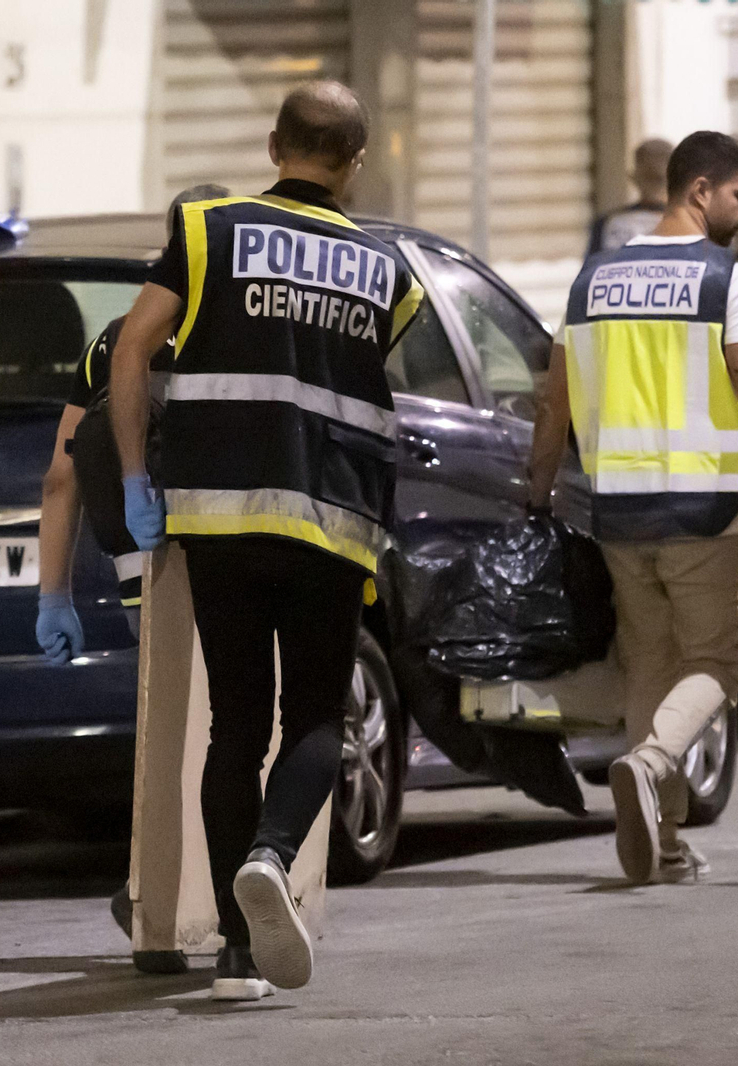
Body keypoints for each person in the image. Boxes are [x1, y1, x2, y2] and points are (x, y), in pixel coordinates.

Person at [108, 80, 423, 1000]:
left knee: (235, 725)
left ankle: (239, 961)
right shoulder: (390, 271)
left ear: (273, 141)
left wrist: (135, 479)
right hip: (331, 521)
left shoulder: (209, 232)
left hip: (219, 515)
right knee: (319, 718)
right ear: (356, 165)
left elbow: (132, 348)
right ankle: (271, 857)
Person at [527, 131, 738, 886]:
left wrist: (535, 495)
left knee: (651, 665)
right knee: (722, 656)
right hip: (703, 509)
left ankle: (665, 841)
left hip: (617, 515)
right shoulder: (734, 279)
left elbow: (552, 403)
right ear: (699, 192)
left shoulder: (592, 279)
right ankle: (652, 763)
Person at [34, 182, 230, 667]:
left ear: (168, 252)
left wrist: (54, 598)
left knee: (165, 726)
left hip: (143, 575)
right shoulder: (248, 334)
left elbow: (62, 477)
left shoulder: (113, 343)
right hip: (236, 565)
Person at [587, 138, 673, 254]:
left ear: (633, 177)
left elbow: (592, 269)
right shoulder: (693, 222)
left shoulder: (610, 223)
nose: (653, 185)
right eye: (649, 177)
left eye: (657, 178)